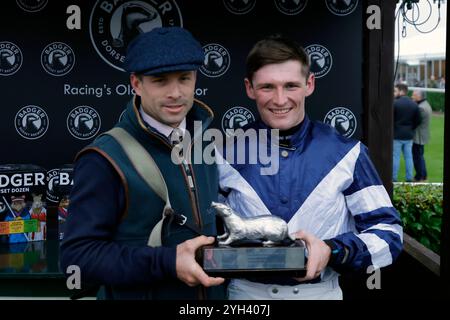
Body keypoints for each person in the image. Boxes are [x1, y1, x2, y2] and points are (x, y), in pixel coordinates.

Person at [217, 35, 403, 300]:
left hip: (320, 293)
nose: (280, 100)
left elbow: (389, 234)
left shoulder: (347, 153)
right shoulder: (223, 155)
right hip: (245, 295)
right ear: (249, 88)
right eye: (267, 87)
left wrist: (333, 250)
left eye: (291, 85)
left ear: (309, 84)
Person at [60, 27, 225, 300]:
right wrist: (168, 262)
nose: (176, 92)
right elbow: (77, 261)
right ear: (136, 83)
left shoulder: (204, 140)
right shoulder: (104, 157)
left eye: (185, 78)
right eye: (161, 81)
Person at [393, 83, 421, 182]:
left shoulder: (395, 103)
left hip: (397, 135)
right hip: (409, 135)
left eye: (395, 91)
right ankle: (409, 178)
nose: (394, 93)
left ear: (401, 91)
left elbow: (391, 119)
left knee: (395, 157)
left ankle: (394, 178)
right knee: (408, 157)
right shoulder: (414, 104)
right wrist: (411, 128)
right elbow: (418, 120)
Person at [411, 89, 432, 182]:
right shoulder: (425, 104)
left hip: (418, 136)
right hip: (422, 135)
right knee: (420, 156)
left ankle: (420, 176)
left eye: (414, 95)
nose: (412, 96)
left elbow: (416, 122)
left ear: (419, 96)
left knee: (417, 157)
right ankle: (423, 175)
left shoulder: (421, 107)